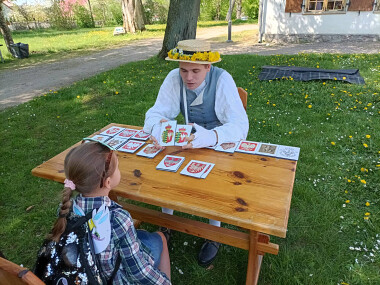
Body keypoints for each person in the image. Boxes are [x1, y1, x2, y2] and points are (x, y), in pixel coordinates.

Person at [143, 39, 249, 266]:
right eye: (183, 70)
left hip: (220, 142)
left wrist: (211, 137)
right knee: (166, 168)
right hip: (189, 141)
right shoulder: (174, 79)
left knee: (215, 185)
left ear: (208, 67)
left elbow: (240, 126)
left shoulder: (222, 80)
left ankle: (214, 233)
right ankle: (166, 224)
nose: (188, 77)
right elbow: (155, 112)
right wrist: (157, 128)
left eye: (195, 71)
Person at [49, 140, 171, 284]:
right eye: (118, 168)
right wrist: (164, 282)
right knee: (160, 238)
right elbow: (139, 273)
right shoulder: (118, 218)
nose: (119, 171)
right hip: (114, 279)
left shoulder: (66, 208)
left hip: (83, 274)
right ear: (107, 182)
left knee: (141, 236)